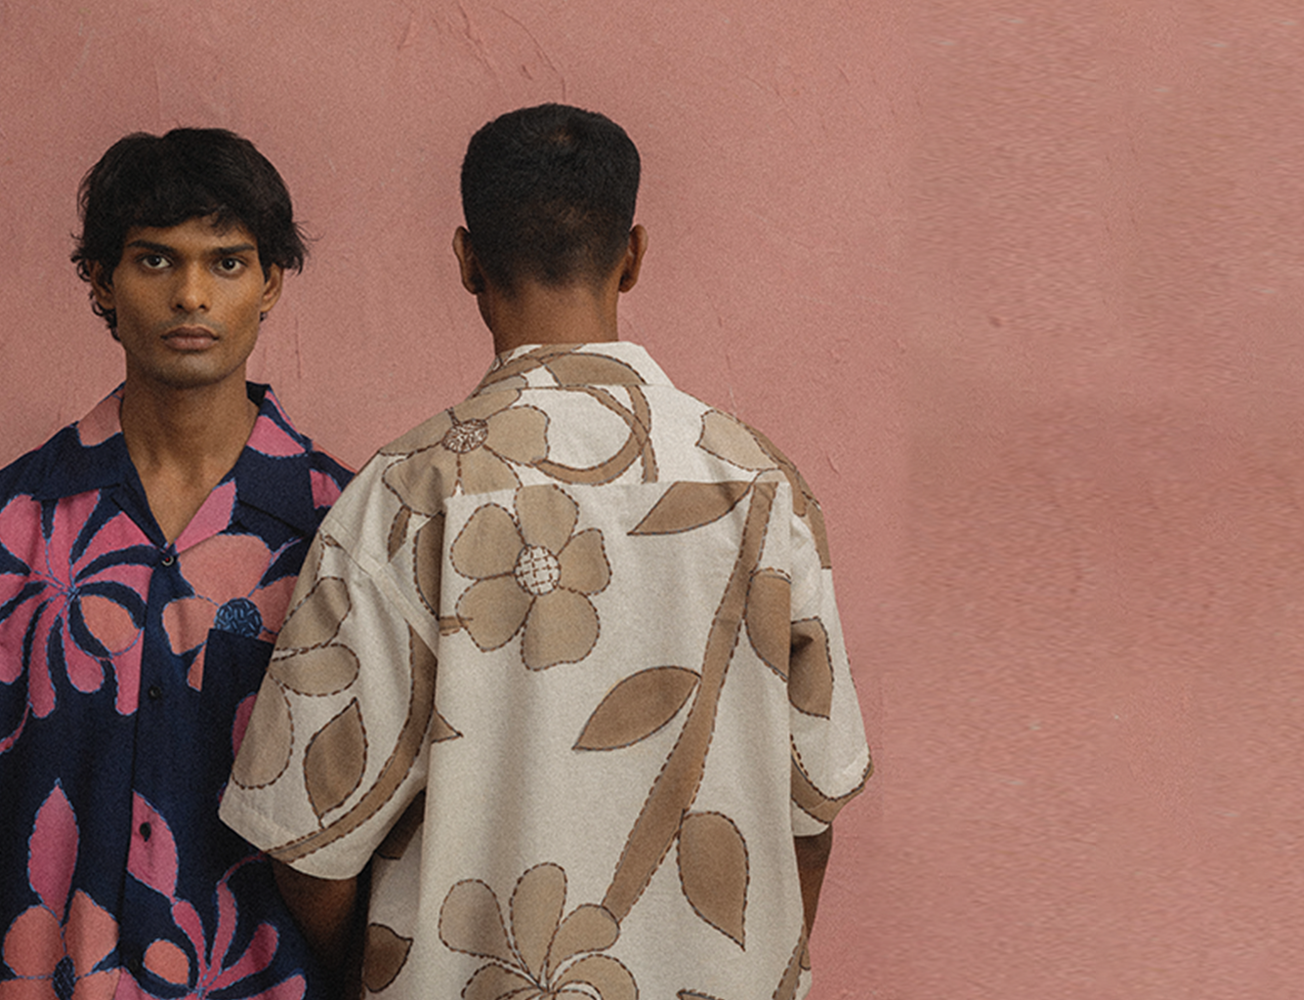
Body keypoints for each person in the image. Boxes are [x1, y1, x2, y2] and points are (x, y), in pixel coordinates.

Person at [218, 104, 872, 1000]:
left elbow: (308, 840)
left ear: (466, 261)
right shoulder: (763, 488)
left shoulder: (404, 496)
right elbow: (813, 811)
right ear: (633, 255)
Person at [0, 127, 354, 1000]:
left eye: (228, 263)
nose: (192, 294)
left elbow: (379, 838)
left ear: (272, 282)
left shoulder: (343, 535)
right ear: (101, 280)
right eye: (155, 260)